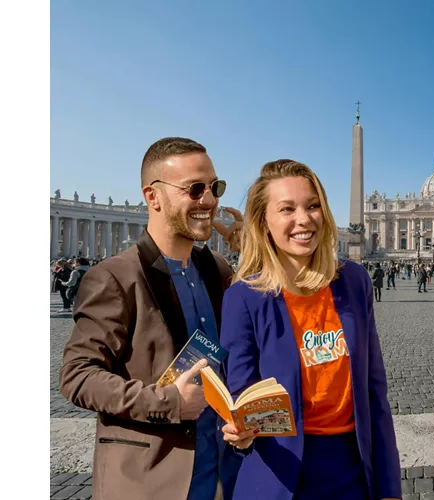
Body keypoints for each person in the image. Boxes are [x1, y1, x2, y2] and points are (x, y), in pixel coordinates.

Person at [59, 137, 241, 499]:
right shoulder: (115, 276)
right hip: (153, 481)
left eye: (214, 187)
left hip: (224, 474)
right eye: (194, 189)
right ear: (153, 197)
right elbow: (77, 376)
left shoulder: (216, 268)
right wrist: (169, 400)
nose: (209, 200)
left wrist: (254, 247)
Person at [217, 159, 401, 500]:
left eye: (313, 206)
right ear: (263, 222)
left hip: (352, 471)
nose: (304, 219)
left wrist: (389, 486)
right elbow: (241, 397)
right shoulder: (243, 298)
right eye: (287, 209)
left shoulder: (354, 281)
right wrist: (238, 431)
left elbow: (375, 392)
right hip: (278, 473)